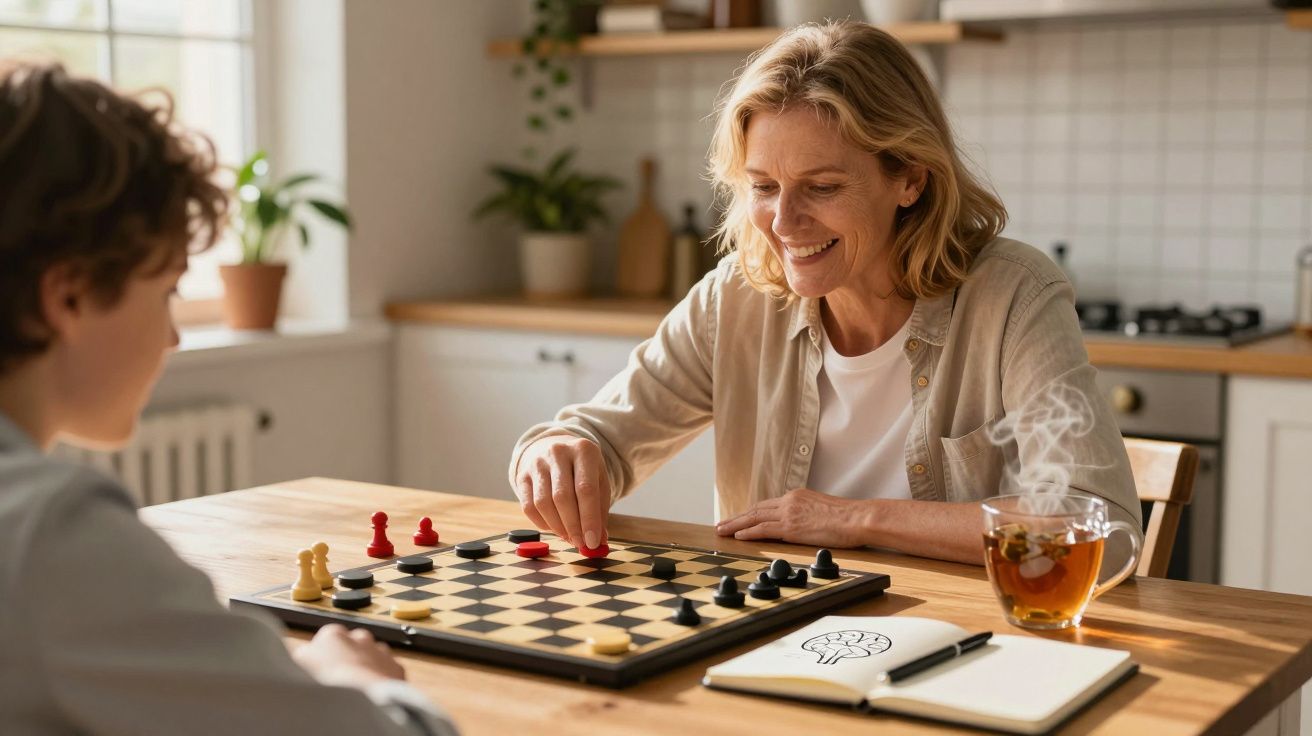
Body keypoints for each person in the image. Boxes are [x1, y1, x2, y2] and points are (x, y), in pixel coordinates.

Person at [509, 22, 1142, 569]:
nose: (784, 222)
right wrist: (554, 453)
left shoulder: (1012, 297)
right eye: (763, 187)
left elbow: (1100, 531)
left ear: (910, 180)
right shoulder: (735, 299)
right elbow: (597, 439)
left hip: (963, 641)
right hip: (775, 635)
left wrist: (854, 519)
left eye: (822, 187)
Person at [0, 62, 457, 735]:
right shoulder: (49, 533)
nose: (173, 337)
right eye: (168, 291)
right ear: (68, 295)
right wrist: (360, 680)